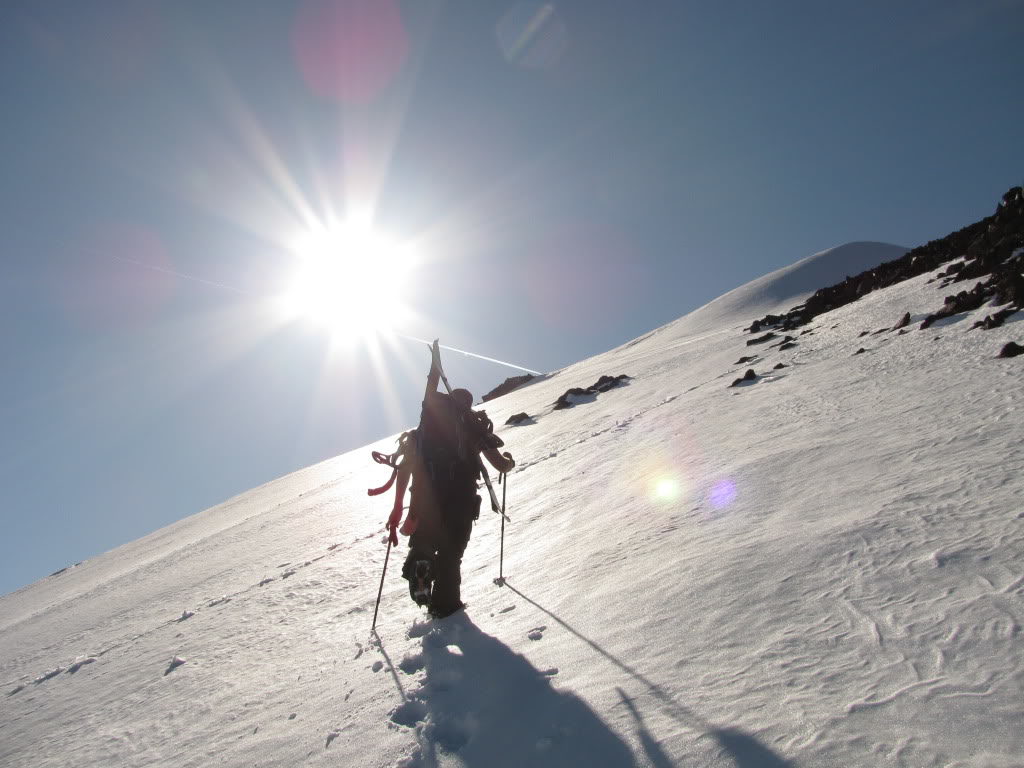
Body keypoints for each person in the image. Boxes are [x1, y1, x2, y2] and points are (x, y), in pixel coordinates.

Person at [385, 352, 515, 619]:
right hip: (461, 499)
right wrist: (509, 463)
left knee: (424, 541)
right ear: (467, 405)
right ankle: (445, 607)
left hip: (425, 497)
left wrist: (399, 505)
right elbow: (499, 465)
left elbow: (406, 466)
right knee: (451, 554)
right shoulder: (472, 427)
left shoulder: (423, 429)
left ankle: (421, 560)